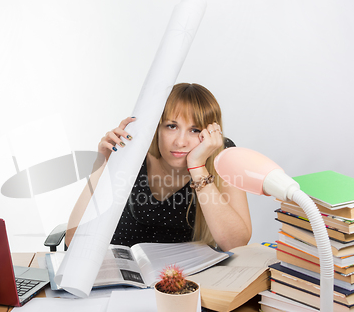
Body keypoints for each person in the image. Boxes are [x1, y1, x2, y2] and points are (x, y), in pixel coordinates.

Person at [65, 83, 251, 251]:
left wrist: (197, 166)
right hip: (122, 269)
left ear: (211, 134)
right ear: (157, 127)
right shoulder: (134, 151)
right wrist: (102, 163)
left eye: (194, 130)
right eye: (171, 126)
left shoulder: (222, 154)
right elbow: (73, 240)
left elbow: (236, 244)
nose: (180, 142)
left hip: (182, 280)